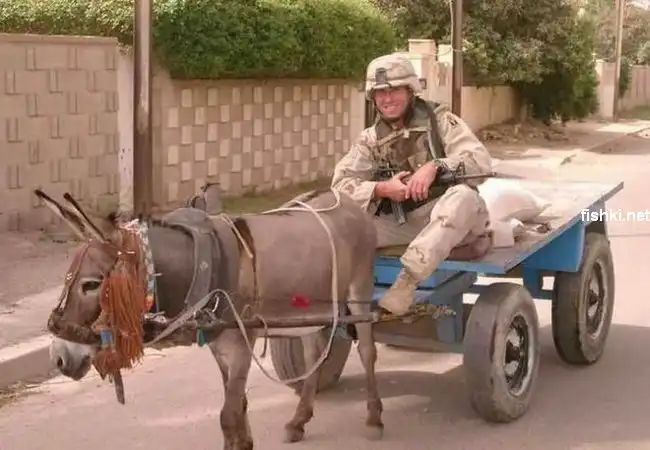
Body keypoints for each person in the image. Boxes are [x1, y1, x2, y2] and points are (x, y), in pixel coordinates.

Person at [330, 52, 493, 317]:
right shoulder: (370, 139)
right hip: (404, 222)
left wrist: (436, 166)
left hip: (454, 220)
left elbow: (481, 163)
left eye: (394, 90)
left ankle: (407, 282)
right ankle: (328, 297)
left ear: (410, 90)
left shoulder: (441, 122)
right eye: (380, 92)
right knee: (340, 224)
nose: (387, 98)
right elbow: (340, 185)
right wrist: (381, 189)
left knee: (463, 197)